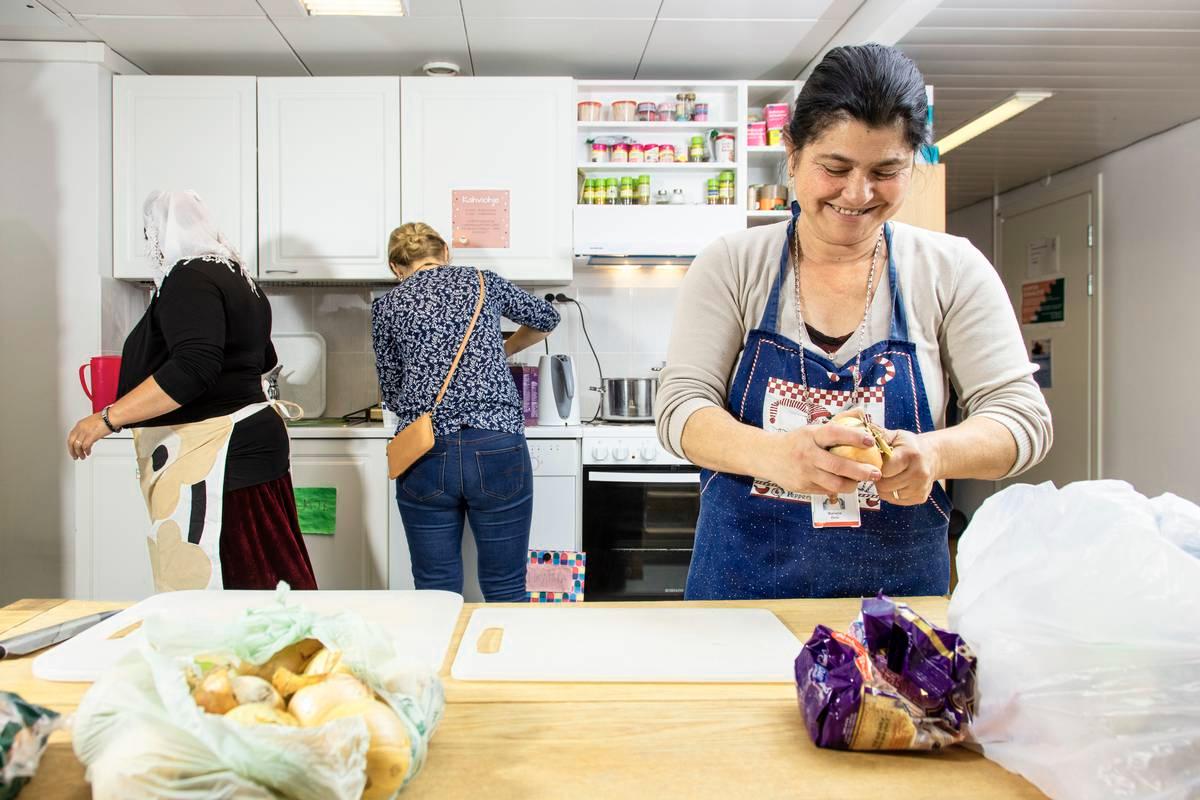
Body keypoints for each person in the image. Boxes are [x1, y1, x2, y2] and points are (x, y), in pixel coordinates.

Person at [655, 44, 1053, 600]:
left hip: (897, 605)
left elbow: (1023, 420)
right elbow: (680, 409)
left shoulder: (951, 270)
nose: (858, 194)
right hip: (741, 595)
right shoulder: (732, 263)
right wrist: (775, 455)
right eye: (835, 168)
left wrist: (934, 454)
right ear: (792, 154)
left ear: (913, 165)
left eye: (885, 171)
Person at [66, 190, 316, 592]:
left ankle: (229, 657)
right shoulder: (241, 279)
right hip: (249, 444)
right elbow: (264, 357)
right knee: (269, 581)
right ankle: (285, 654)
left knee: (215, 584)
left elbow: (193, 369)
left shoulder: (188, 279)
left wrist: (106, 418)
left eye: (151, 233)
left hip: (215, 454)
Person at [373, 222, 560, 602]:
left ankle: (441, 661)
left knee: (434, 589)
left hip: (424, 453)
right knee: (506, 586)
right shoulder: (481, 282)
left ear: (395, 267)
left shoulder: (386, 306)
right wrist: (503, 350)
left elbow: (392, 392)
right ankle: (503, 660)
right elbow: (546, 319)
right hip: (496, 443)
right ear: (446, 253)